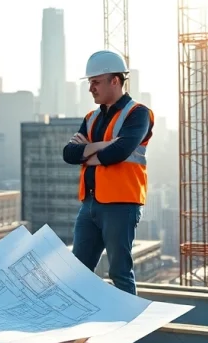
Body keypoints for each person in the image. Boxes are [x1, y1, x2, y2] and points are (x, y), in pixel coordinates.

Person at [62, 50, 154, 296]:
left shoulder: (138, 113)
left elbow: (120, 151)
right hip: (90, 204)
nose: (90, 88)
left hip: (121, 203)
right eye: (89, 82)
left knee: (119, 273)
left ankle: (128, 319)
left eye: (96, 82)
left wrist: (87, 153)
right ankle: (82, 318)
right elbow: (69, 154)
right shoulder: (91, 118)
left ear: (115, 80)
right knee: (78, 271)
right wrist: (103, 145)